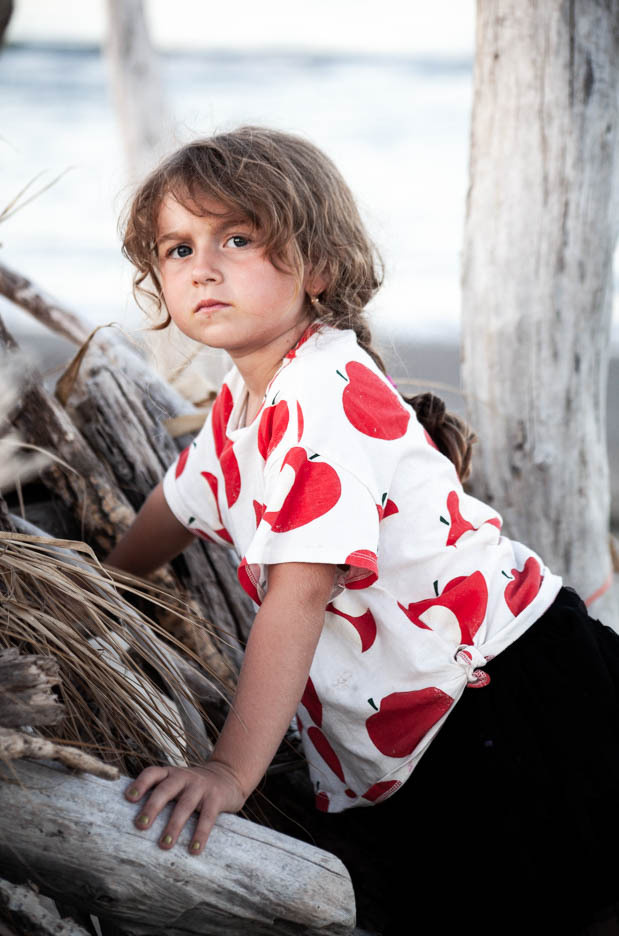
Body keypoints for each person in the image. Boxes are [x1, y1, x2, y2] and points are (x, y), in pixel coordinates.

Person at [106, 126, 619, 934]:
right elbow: (175, 506)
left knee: (563, 905)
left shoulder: (321, 392)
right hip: (409, 720)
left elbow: (297, 595)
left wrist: (228, 774)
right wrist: (96, 583)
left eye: (236, 238)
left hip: (501, 690)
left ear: (318, 267)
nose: (201, 266)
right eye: (177, 248)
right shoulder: (244, 404)